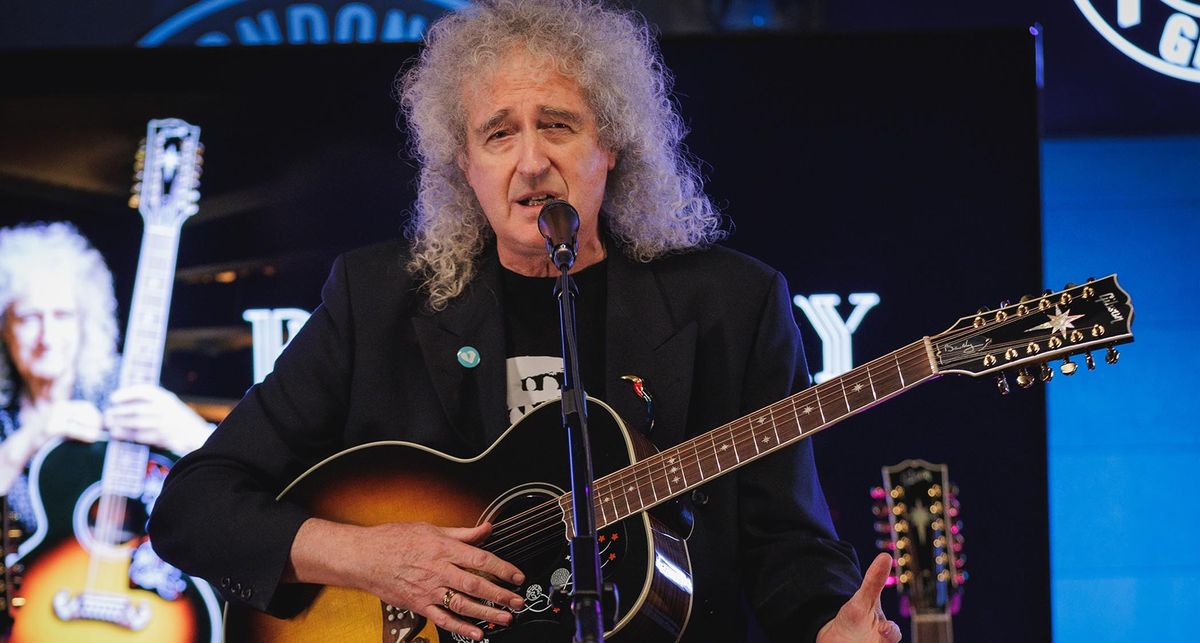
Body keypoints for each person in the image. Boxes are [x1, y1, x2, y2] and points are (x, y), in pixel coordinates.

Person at [148, 1, 902, 641]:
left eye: (559, 125)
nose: (531, 161)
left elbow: (789, 544)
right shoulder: (374, 298)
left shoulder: (734, 306)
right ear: (464, 165)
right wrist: (367, 557)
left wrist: (827, 622)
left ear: (612, 146)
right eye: (499, 133)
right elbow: (194, 506)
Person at [0, 221, 213, 531]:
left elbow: (220, 481)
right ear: (5, 328)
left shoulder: (123, 381)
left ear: (84, 322)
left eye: (62, 316)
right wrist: (33, 435)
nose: (47, 337)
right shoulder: (5, 412)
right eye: (29, 318)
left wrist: (192, 434)